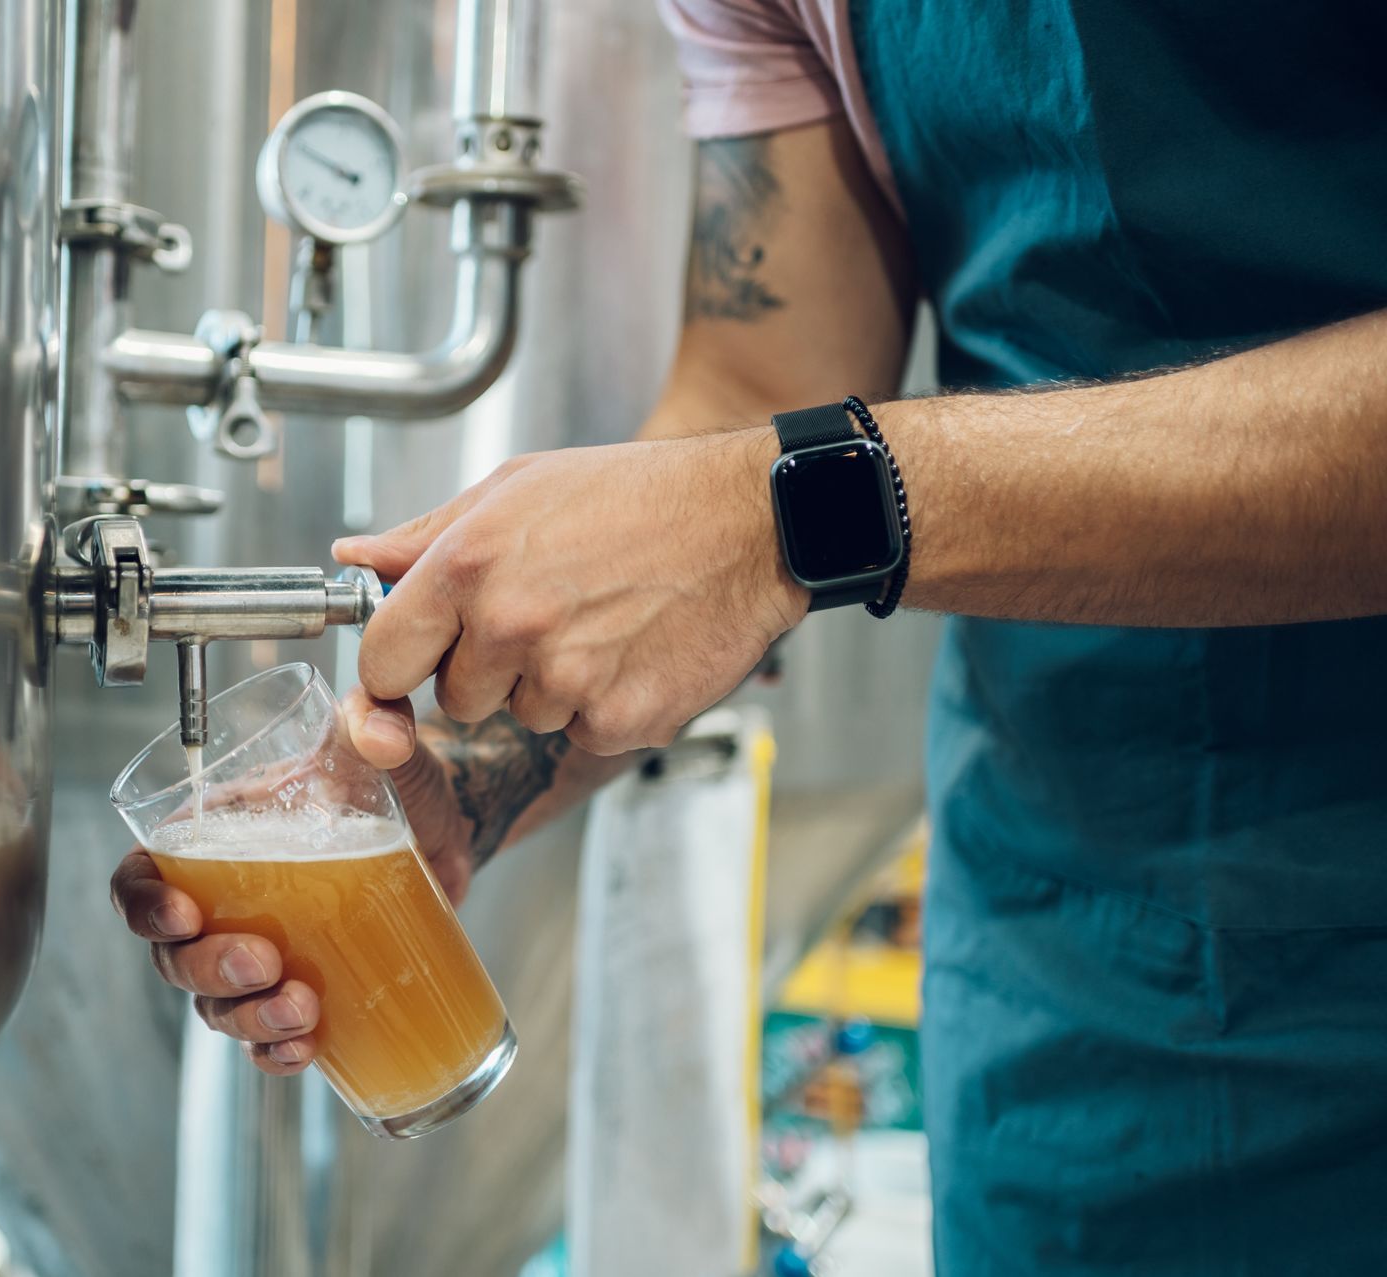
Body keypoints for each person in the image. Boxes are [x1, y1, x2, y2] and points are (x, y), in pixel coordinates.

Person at [114, 0, 1387, 1270]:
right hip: (1073, 946)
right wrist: (471, 774)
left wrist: (790, 508)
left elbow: (770, 486)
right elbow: (766, 375)